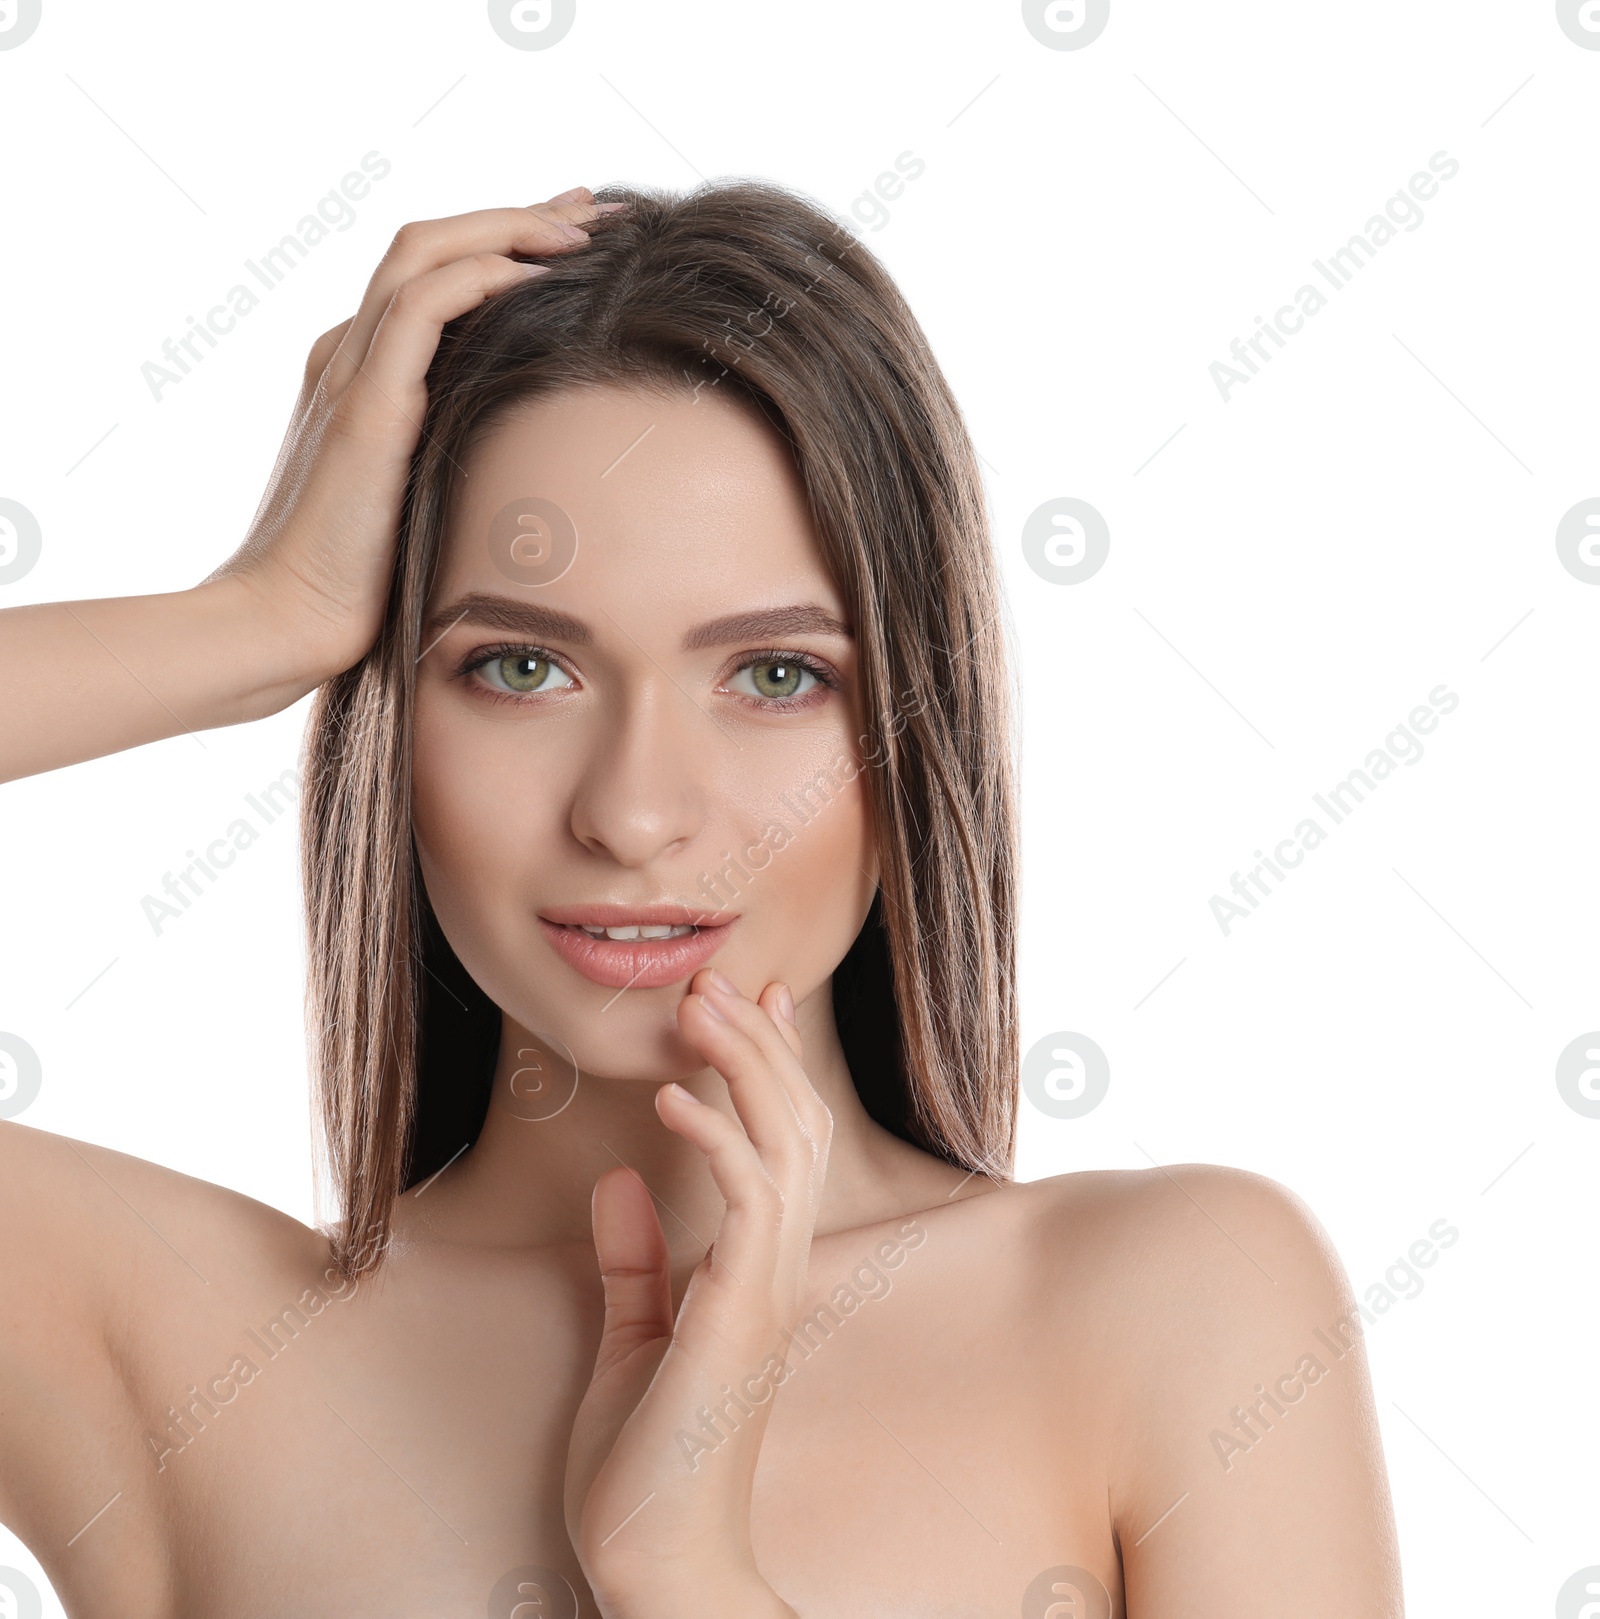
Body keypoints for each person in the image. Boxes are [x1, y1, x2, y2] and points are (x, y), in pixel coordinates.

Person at [0, 180, 1404, 1618]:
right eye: (519, 667)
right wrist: (253, 622)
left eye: (777, 676)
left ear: (911, 728)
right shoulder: (174, 1346)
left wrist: (682, 1573)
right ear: (394, 711)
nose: (633, 812)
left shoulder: (1175, 1310)